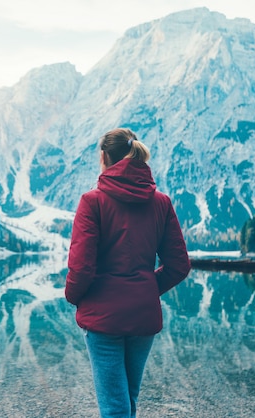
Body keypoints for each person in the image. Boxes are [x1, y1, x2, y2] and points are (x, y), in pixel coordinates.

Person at [65, 128, 191, 418]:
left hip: (103, 318)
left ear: (104, 157)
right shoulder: (161, 202)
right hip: (143, 316)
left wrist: (74, 297)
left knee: (113, 407)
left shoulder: (92, 202)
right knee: (128, 401)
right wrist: (145, 289)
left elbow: (81, 267)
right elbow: (179, 265)